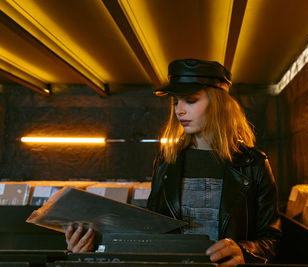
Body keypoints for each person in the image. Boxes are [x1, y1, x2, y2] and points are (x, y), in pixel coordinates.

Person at [66, 59, 282, 266]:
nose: (179, 110)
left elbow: (272, 240)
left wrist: (243, 252)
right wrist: (94, 245)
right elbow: (151, 233)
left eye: (190, 100)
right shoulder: (166, 161)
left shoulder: (253, 164)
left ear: (219, 104)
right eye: (175, 101)